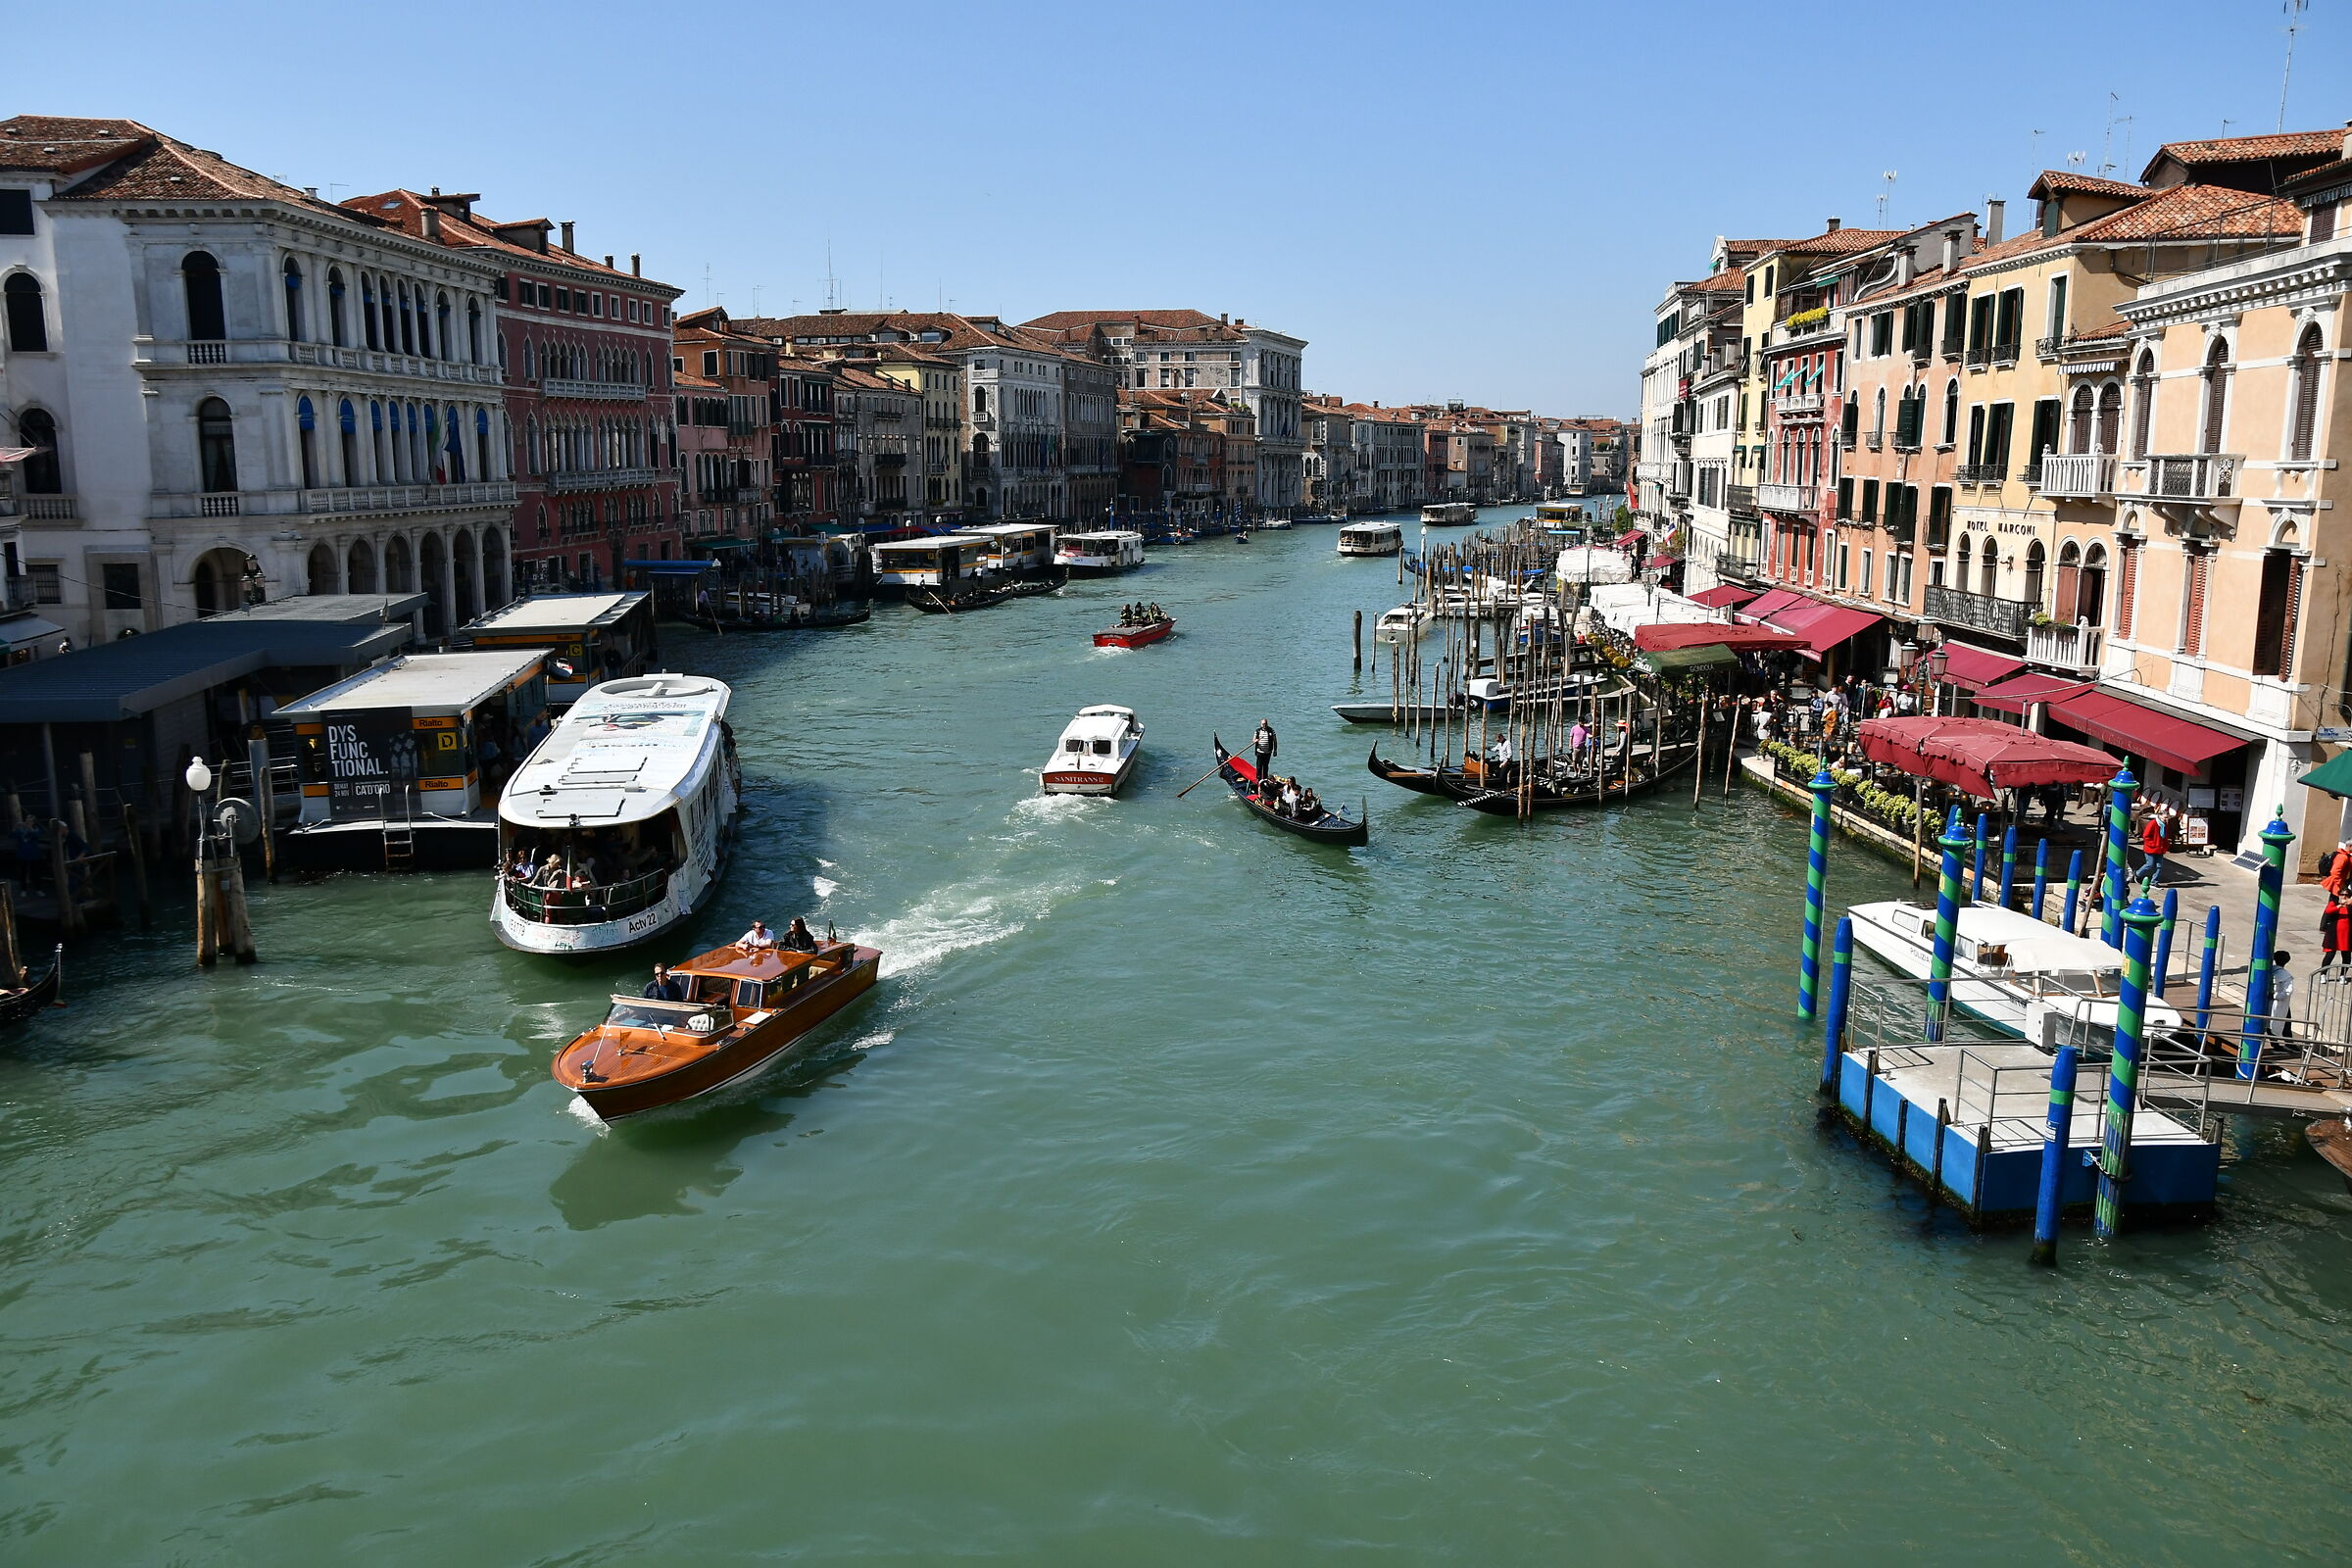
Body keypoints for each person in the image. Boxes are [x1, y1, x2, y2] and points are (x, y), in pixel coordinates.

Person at [2268, 950, 2297, 1047]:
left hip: (2269, 1002)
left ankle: (2275, 1044)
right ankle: (2289, 1044)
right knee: (2286, 1023)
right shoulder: (2285, 975)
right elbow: (2288, 991)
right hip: (2280, 1003)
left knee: (2270, 1023)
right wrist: (2276, 996)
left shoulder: (2269, 970)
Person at [2134, 809, 2169, 887]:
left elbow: (2165, 837)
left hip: (2160, 849)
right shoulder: (2153, 824)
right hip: (2151, 848)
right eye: (2165, 818)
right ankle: (2137, 874)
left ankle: (2154, 882)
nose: (2166, 819)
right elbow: (2146, 836)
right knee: (2150, 864)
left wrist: (2166, 846)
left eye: (2167, 818)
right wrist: (2153, 844)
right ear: (2159, 816)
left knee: (2159, 866)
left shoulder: (2165, 825)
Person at [2322, 895, 2352, 977]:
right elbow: (2328, 911)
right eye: (2342, 895)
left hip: (2346, 935)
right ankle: (2323, 974)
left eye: (2347, 895)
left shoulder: (2350, 906)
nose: (2344, 897)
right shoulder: (2334, 903)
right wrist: (2340, 905)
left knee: (2346, 955)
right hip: (2333, 934)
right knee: (2330, 954)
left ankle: (2343, 975)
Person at [1252, 718, 1277, 782]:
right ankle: (1259, 779)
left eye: (1265, 724)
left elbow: (1275, 741)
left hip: (1268, 752)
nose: (1264, 725)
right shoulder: (1257, 731)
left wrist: (1275, 750)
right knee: (1259, 766)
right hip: (1260, 752)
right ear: (1261, 724)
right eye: (1263, 724)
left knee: (1266, 766)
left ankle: (1265, 779)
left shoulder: (1271, 730)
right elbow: (1253, 740)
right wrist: (1256, 740)